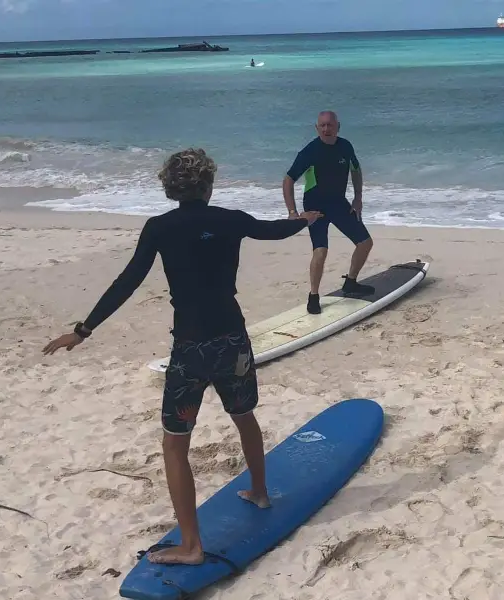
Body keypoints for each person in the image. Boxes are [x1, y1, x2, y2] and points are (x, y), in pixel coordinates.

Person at [41, 148, 322, 566]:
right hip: (232, 339)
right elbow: (272, 230)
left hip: (191, 348)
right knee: (244, 416)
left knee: (175, 445)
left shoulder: (159, 228)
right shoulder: (231, 219)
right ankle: (260, 493)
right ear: (208, 185)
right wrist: (304, 222)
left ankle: (191, 546)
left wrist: (84, 330)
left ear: (171, 188)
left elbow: (129, 281)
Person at [282, 110, 374, 315]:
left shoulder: (345, 147)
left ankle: (350, 283)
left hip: (339, 204)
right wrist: (293, 212)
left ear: (337, 127)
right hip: (316, 208)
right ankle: (313, 296)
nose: (326, 129)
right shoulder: (309, 152)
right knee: (321, 250)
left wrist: (358, 197)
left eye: (330, 125)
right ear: (317, 128)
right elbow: (288, 180)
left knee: (365, 243)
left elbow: (356, 170)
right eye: (322, 125)